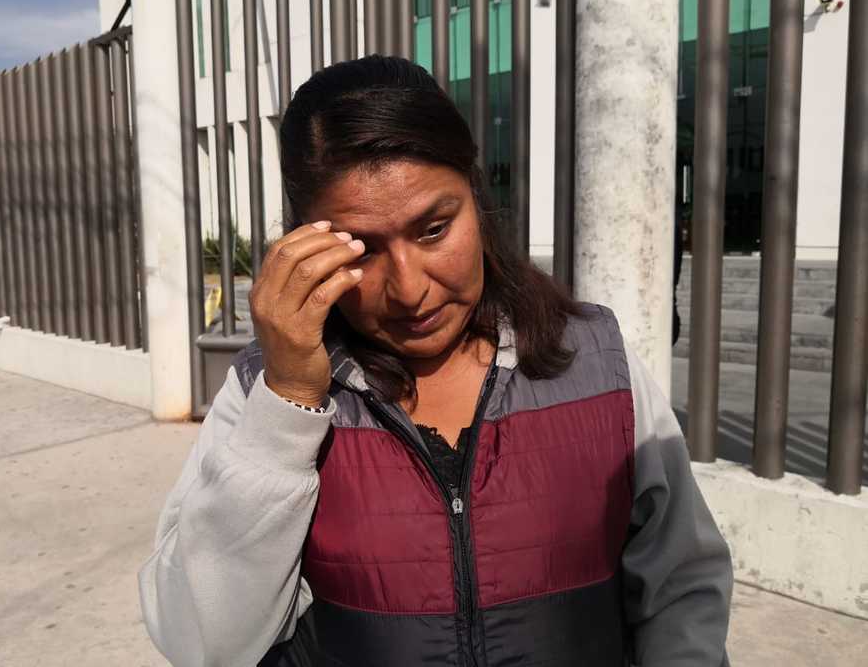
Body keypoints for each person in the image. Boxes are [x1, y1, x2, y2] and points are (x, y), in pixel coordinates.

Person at [138, 56, 733, 667]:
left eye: (433, 230)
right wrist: (286, 406)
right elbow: (201, 640)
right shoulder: (264, 393)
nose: (409, 289)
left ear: (475, 197)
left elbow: (682, 586)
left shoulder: (597, 365)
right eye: (360, 249)